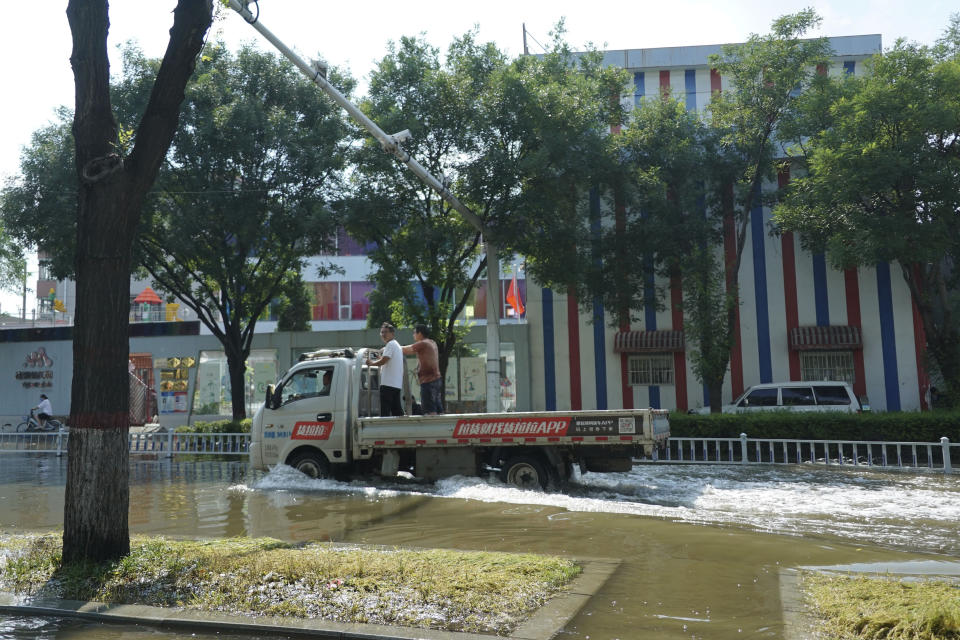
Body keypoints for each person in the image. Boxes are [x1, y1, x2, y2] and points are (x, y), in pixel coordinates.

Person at [401, 324, 443, 415]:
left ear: (419, 333)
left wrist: (391, 348)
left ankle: (432, 429)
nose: (413, 335)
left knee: (430, 410)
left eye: (414, 332)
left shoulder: (423, 343)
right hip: (437, 380)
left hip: (428, 382)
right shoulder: (432, 342)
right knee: (438, 408)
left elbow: (406, 350)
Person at [366, 322, 404, 416]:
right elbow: (385, 360)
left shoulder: (390, 344)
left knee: (385, 411)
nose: (383, 334)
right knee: (396, 410)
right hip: (395, 384)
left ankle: (384, 429)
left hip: (388, 384)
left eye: (385, 332)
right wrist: (380, 358)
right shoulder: (396, 345)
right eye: (381, 332)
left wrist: (371, 364)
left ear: (392, 333)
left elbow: (384, 360)